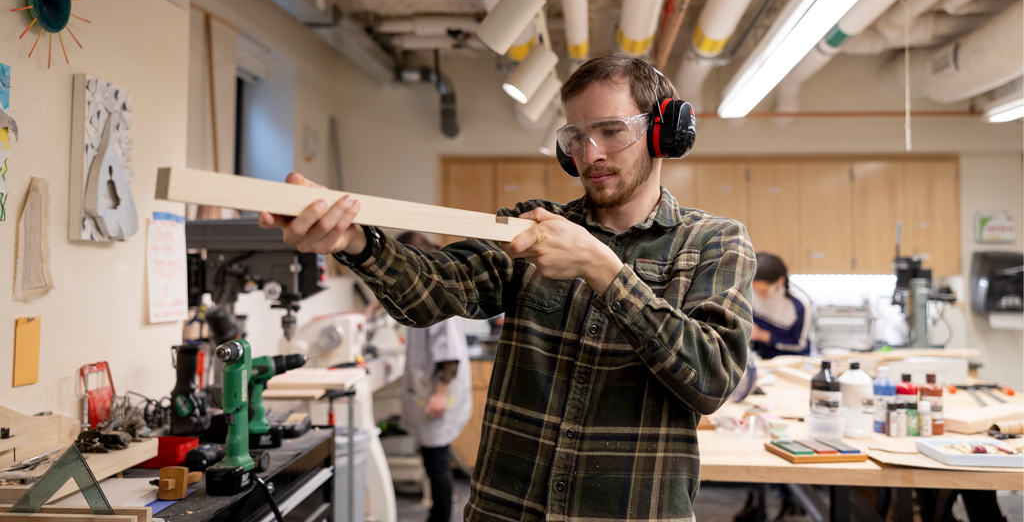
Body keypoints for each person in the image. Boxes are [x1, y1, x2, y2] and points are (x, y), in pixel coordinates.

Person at [260, 55, 756, 521]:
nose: (591, 153)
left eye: (610, 131)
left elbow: (711, 380)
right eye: (576, 136)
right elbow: (431, 290)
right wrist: (353, 239)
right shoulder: (532, 226)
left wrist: (602, 268)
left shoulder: (714, 242)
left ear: (662, 131)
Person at [372, 231, 472, 522]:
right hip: (430, 389)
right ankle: (436, 514)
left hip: (439, 392)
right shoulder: (425, 289)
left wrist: (440, 393)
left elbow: (449, 354)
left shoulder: (438, 295)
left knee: (438, 463)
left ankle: (439, 518)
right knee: (434, 461)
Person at [748, 253, 812, 359]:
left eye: (763, 292)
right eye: (755, 290)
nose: (758, 295)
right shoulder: (749, 293)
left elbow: (800, 345)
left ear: (780, 281)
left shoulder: (799, 303)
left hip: (789, 363)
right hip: (760, 361)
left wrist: (764, 336)